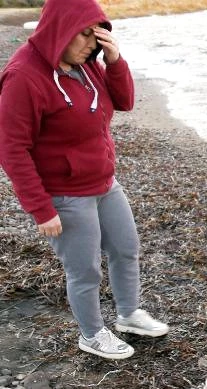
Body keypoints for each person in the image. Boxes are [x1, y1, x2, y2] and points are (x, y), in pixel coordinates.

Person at [0, 0, 169, 360]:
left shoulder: (86, 65)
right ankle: (91, 335)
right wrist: (40, 209)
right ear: (61, 28)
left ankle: (128, 314)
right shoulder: (23, 76)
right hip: (65, 194)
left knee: (125, 248)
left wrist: (115, 60)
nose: (92, 43)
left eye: (98, 34)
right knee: (85, 270)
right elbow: (12, 149)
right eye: (86, 34)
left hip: (105, 183)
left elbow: (123, 101)